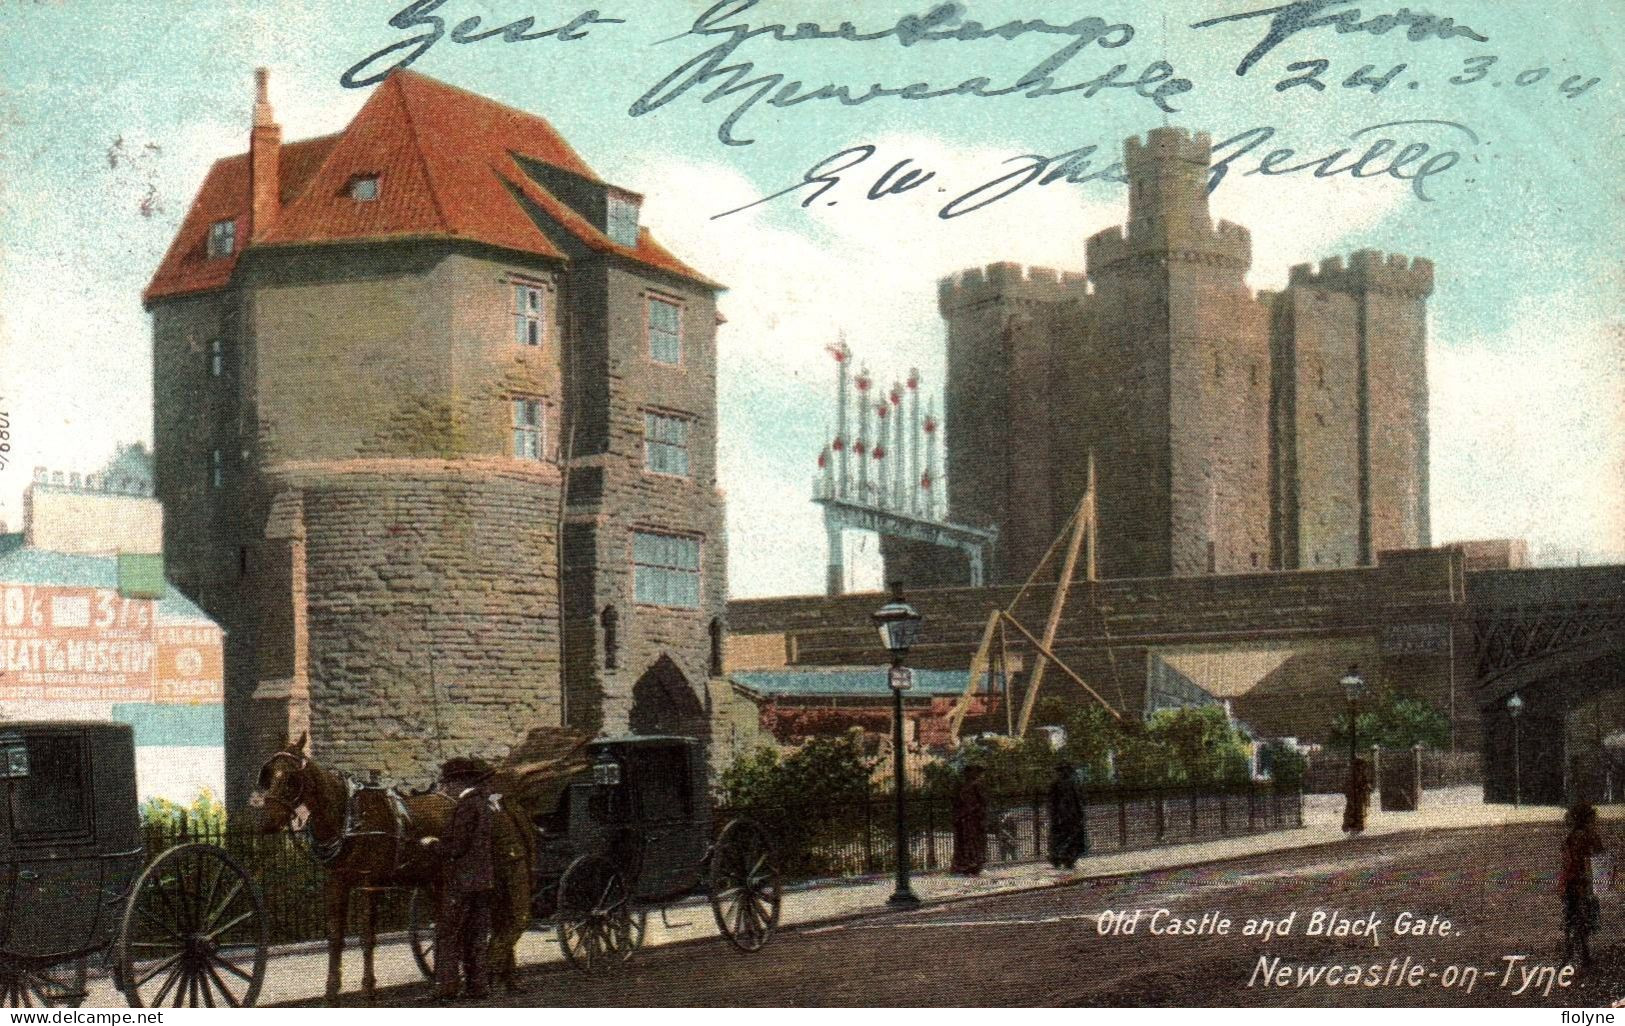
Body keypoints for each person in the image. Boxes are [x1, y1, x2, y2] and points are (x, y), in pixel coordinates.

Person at [420, 757, 497, 1001]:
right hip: (483, 881)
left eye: (447, 784)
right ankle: (478, 986)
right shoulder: (483, 804)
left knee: (448, 934)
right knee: (476, 934)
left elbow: (458, 847)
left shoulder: (465, 806)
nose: (445, 789)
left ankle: (446, 989)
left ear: (458, 782)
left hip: (462, 882)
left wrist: (432, 844)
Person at [1559, 801, 1610, 968]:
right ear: (1587, 820)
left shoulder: (1570, 837)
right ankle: (1582, 954)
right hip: (1583, 882)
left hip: (1570, 882)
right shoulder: (1588, 836)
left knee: (1573, 916)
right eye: (1593, 820)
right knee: (1584, 917)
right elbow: (1598, 856)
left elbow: (1566, 863)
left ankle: (1571, 948)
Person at [950, 764, 991, 875]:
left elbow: (981, 803)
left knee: (970, 843)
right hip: (969, 819)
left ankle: (969, 866)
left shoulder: (969, 786)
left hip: (969, 819)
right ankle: (970, 866)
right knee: (970, 843)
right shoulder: (970, 786)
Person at [1048, 761, 1089, 870]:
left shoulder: (1057, 783)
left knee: (1062, 838)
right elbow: (1080, 799)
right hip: (1070, 815)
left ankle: (1060, 858)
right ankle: (1066, 859)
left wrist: (1053, 814)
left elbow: (1052, 802)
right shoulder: (1073, 782)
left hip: (1062, 816)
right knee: (1071, 837)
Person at [1342, 756, 1372, 834]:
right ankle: (1355, 826)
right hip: (1357, 795)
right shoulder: (1357, 774)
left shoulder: (1355, 773)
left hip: (1356, 795)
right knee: (1357, 810)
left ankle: (1353, 826)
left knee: (1354, 809)